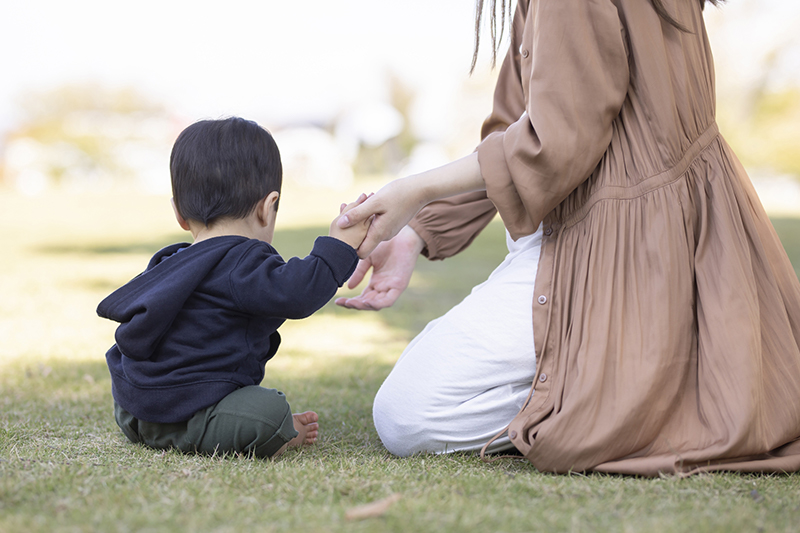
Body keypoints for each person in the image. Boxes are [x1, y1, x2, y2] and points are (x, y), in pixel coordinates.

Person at [336, 0, 800, 475]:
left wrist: (413, 191)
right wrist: (418, 230)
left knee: (408, 414)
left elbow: (554, 142)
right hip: (679, 232)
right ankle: (642, 373)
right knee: (415, 386)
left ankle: (632, 386)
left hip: (627, 241)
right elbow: (517, 125)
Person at [97, 117, 370, 459]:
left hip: (134, 410)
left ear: (180, 214)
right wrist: (339, 246)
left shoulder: (171, 259)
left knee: (250, 404)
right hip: (196, 409)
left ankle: (156, 429)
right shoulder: (242, 260)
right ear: (267, 208)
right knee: (270, 412)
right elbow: (296, 293)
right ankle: (204, 433)